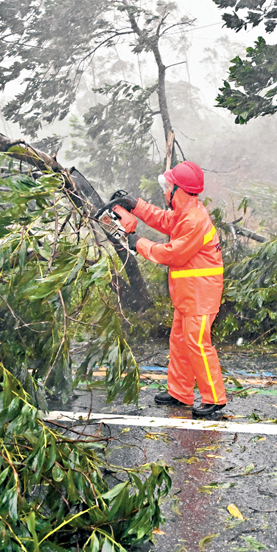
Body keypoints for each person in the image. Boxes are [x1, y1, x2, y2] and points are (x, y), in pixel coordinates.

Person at [102, 161, 226, 417]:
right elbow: (165, 220)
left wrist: (139, 244)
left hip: (201, 295)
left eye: (168, 186)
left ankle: (214, 399)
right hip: (189, 293)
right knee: (180, 342)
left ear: (178, 190)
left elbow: (174, 254)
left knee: (198, 344)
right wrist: (135, 205)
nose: (164, 191)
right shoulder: (186, 212)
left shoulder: (195, 219)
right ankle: (180, 393)